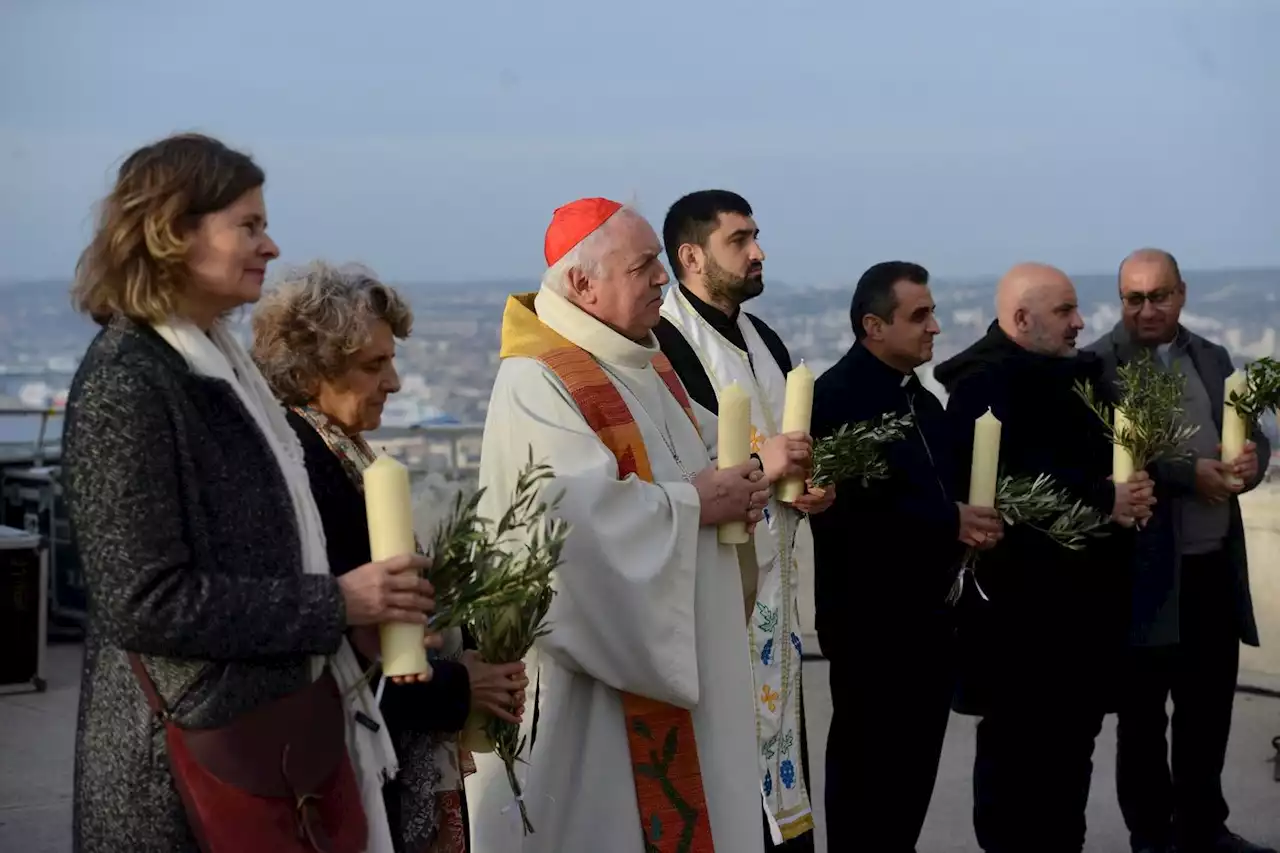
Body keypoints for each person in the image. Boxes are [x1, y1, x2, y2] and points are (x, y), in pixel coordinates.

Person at [63, 133, 434, 853]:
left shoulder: (215, 368)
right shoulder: (128, 383)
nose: (270, 246)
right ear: (173, 232)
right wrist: (338, 601)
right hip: (186, 768)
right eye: (249, 225)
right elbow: (145, 601)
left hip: (264, 743)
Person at [465, 197, 770, 853]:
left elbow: (694, 465)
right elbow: (570, 527)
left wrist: (741, 484)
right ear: (583, 284)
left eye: (659, 263)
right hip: (594, 690)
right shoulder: (536, 380)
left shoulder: (646, 361)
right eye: (644, 266)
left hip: (671, 657)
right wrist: (697, 504)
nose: (663, 278)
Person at [252, 261, 531, 853]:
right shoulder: (302, 471)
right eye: (374, 365)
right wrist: (460, 687)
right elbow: (342, 646)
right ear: (311, 372)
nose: (396, 382)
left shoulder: (339, 452)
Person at [934, 262, 1155, 853]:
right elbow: (1008, 486)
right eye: (1065, 312)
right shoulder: (983, 388)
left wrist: (1134, 490)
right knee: (1016, 764)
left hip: (1084, 618)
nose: (1081, 323)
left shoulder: (1080, 377)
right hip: (1019, 623)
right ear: (1022, 318)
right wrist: (1106, 496)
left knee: (1069, 766)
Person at [654, 189, 832, 852]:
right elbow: (672, 457)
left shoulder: (767, 339)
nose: (759, 252)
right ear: (692, 256)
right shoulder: (664, 340)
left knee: (783, 752)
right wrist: (766, 456)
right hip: (716, 592)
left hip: (774, 592)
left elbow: (788, 451)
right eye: (740, 240)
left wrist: (806, 484)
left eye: (757, 236)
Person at [807, 261, 1003, 853]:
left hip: (929, 627)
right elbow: (843, 515)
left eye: (933, 312)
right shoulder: (836, 397)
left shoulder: (920, 398)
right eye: (920, 315)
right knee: (869, 783)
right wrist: (951, 521)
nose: (935, 327)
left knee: (910, 783)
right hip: (872, 628)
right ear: (873, 325)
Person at [1086, 249, 1274, 853]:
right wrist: (1189, 474)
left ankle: (1203, 827)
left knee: (1208, 710)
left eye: (1158, 296)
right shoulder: (1098, 366)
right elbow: (1108, 461)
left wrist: (1251, 463)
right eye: (1133, 298)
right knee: (1142, 720)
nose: (1146, 310)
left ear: (1182, 294)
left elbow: (1254, 439)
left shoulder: (1213, 358)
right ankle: (1152, 836)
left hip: (1213, 566)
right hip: (1144, 573)